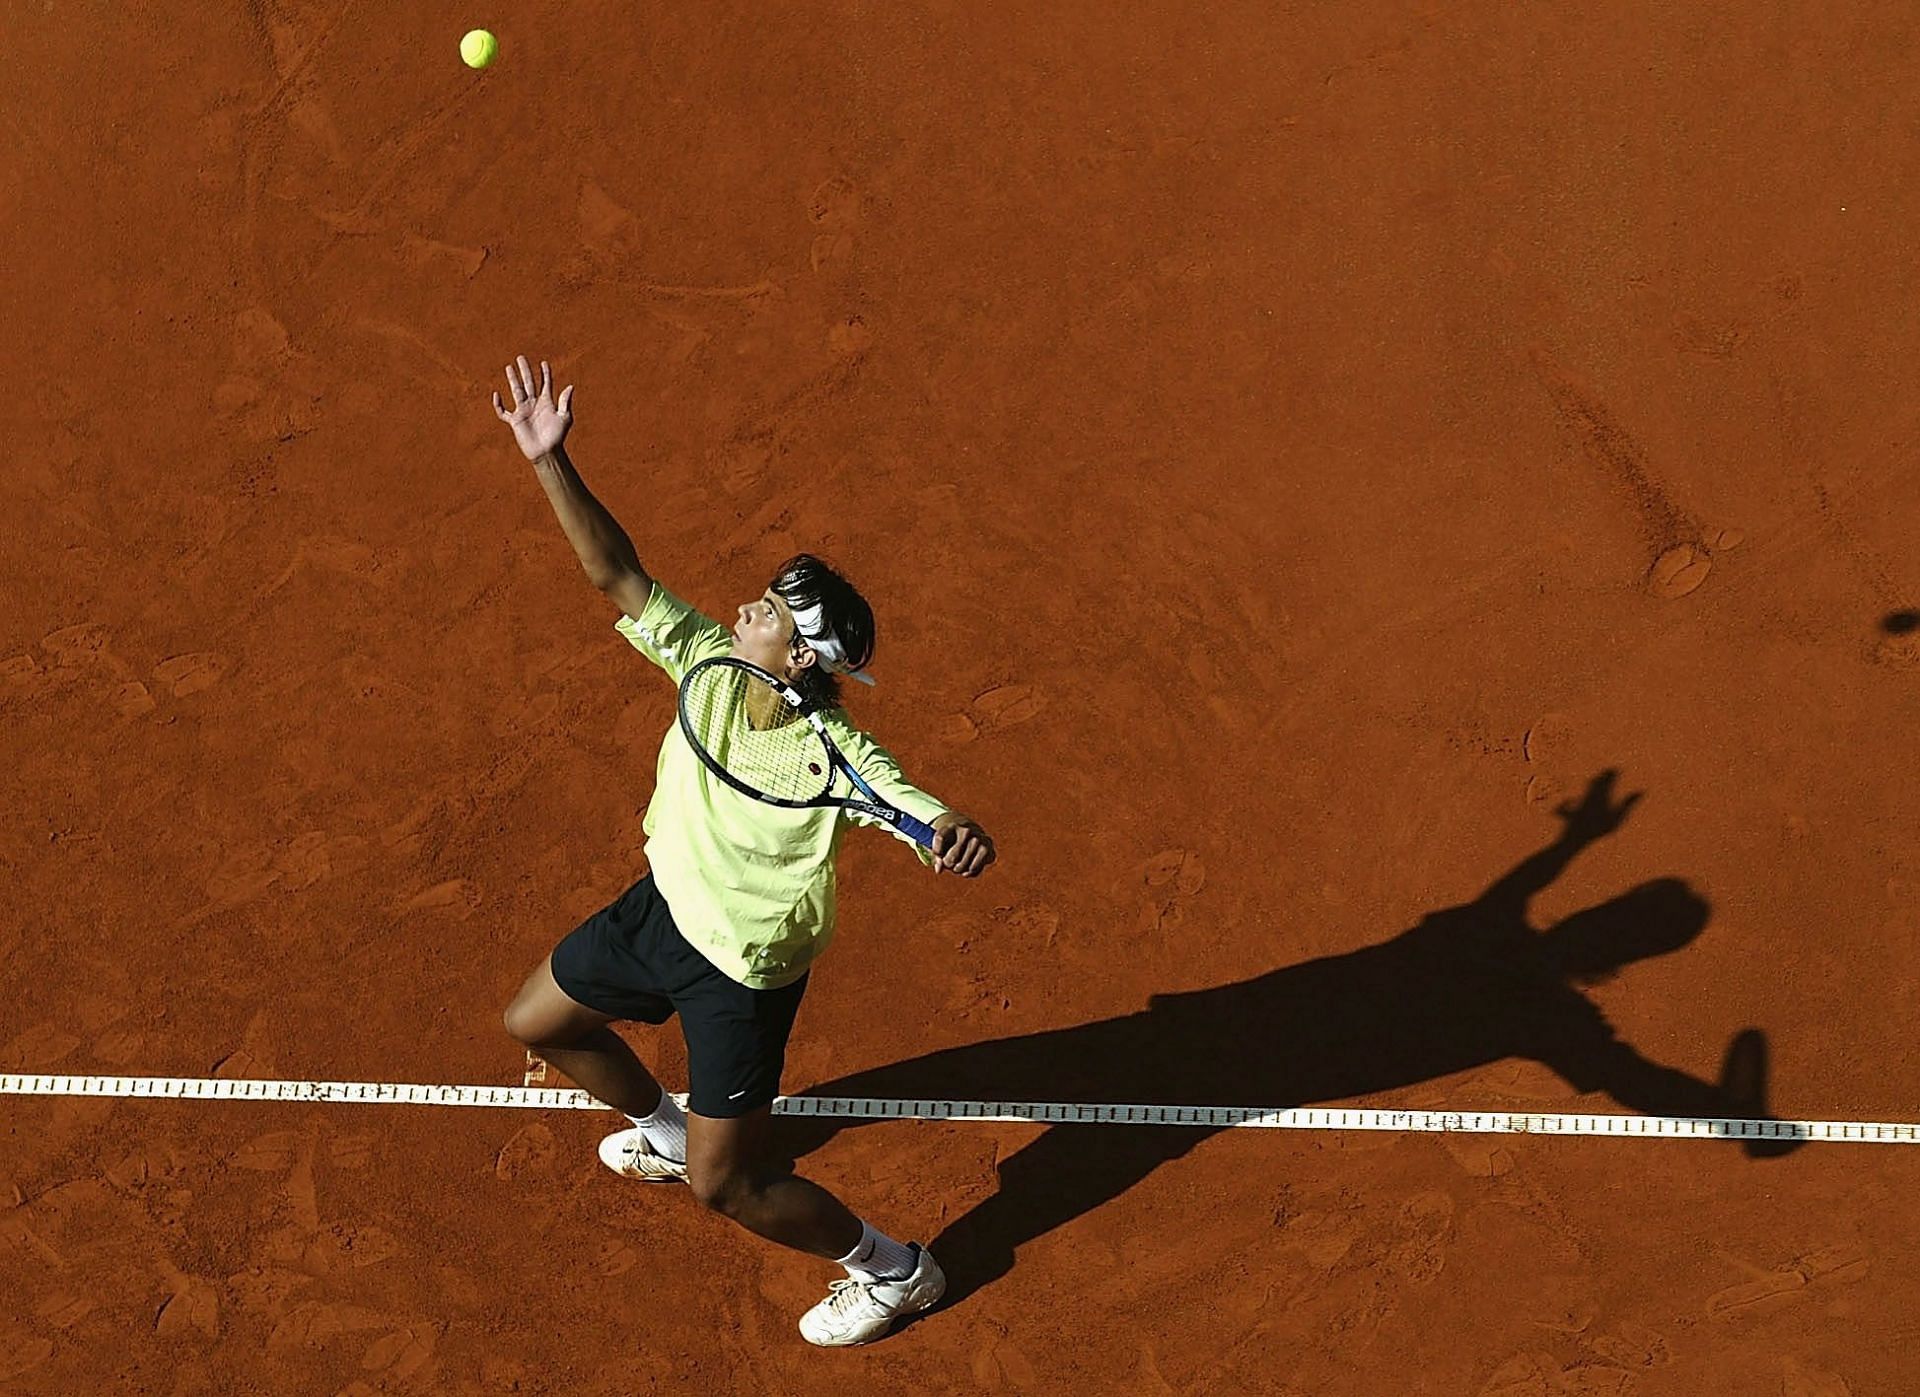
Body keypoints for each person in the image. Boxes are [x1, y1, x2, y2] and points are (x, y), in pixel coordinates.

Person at [492, 356, 996, 1347]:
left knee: (733, 1190)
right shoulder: (710, 661)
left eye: (772, 609)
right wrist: (552, 460)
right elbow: (614, 572)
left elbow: (914, 809)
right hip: (660, 909)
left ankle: (894, 1267)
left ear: (802, 656)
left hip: (742, 972)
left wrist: (951, 830)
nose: (750, 607)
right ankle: (668, 1130)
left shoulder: (836, 753)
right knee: (539, 1021)